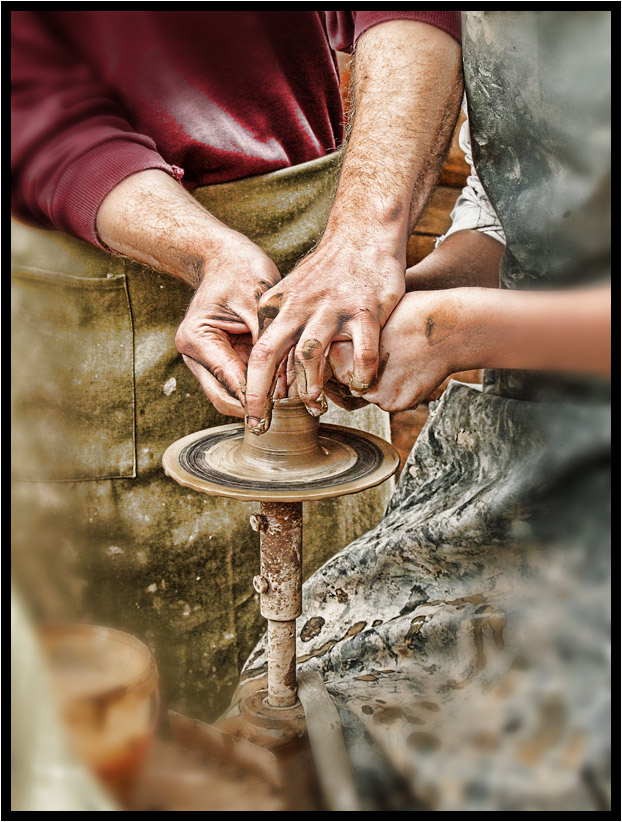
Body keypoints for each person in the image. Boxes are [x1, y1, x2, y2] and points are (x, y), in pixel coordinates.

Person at [11, 11, 463, 720]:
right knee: (125, 731)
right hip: (91, 248)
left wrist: (364, 235)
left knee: (335, 705)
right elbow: (29, 98)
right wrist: (205, 251)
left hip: (325, 221)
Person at [239, 10, 611, 811]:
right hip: (535, 442)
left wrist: (464, 330)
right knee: (304, 706)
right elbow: (526, 212)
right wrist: (419, 292)